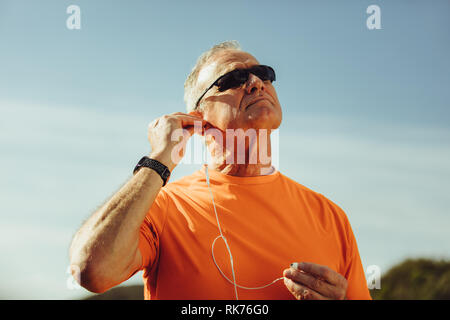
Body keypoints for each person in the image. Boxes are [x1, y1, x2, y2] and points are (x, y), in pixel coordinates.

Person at [69, 40, 372, 300]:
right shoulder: (164, 205)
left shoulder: (330, 217)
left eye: (263, 73)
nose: (256, 83)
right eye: (233, 79)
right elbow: (91, 270)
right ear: (198, 119)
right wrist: (160, 158)